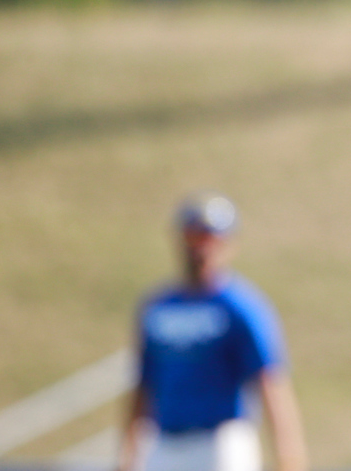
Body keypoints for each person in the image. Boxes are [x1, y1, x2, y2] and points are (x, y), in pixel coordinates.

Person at [116, 192, 307, 471]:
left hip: (220, 441)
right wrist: (127, 453)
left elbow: (270, 383)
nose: (201, 248)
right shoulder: (158, 308)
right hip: (163, 441)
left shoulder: (240, 307)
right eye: (195, 236)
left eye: (210, 238)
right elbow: (144, 384)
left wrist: (290, 460)